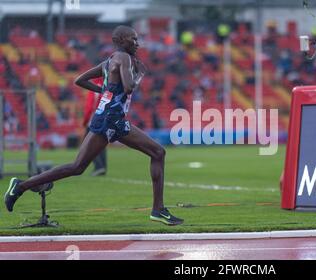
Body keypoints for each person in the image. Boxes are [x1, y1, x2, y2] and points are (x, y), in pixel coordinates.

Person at [4, 25, 183, 226]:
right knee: (154, 153)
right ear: (122, 41)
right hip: (111, 119)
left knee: (81, 166)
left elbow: (80, 80)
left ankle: (20, 187)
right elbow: (129, 86)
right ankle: (157, 210)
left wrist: (105, 91)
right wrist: (139, 73)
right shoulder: (124, 58)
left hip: (110, 118)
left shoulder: (108, 61)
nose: (138, 43)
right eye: (133, 39)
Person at [83, 78, 107, 176]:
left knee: (88, 145)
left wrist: (85, 121)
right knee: (101, 144)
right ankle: (103, 167)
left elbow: (89, 108)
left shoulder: (94, 89)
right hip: (105, 120)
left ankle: (98, 166)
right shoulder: (107, 88)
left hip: (93, 121)